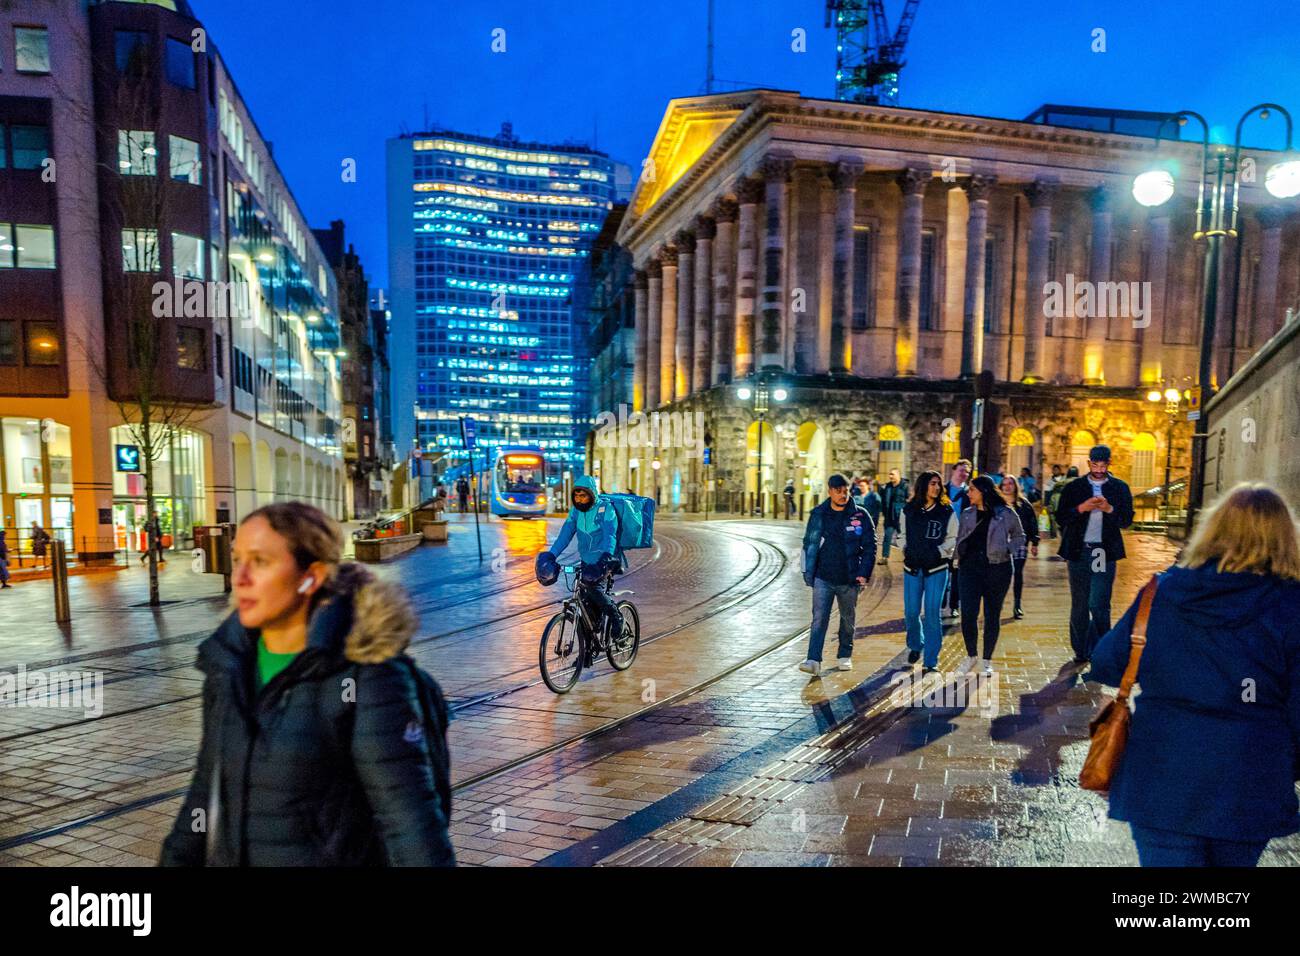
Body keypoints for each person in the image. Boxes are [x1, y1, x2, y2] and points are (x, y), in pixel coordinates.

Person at [160, 502, 454, 866]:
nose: (240, 578)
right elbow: (205, 797)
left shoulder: (367, 676)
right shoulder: (229, 665)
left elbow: (410, 825)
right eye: (237, 560)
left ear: (310, 576)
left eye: (261, 562)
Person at [1087, 483, 1300, 867]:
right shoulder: (1291, 605)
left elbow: (1106, 658)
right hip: (1249, 777)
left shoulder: (1162, 592)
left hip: (1161, 772)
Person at [1055, 445, 1134, 664]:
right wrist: (1082, 508)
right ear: (1089, 463)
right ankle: (1081, 650)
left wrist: (1109, 509)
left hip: (1102, 551)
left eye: (1103, 465)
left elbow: (1127, 520)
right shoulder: (1075, 487)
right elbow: (1061, 517)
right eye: (1095, 464)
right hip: (1079, 550)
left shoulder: (1119, 488)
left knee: (1098, 602)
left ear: (1109, 464)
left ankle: (1100, 648)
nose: (1099, 469)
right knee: (1079, 603)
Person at [799, 474, 876, 676]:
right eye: (838, 490)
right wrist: (807, 571)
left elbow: (870, 546)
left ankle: (844, 655)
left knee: (847, 619)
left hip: (849, 578)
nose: (843, 494)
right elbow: (808, 544)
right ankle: (813, 659)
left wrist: (864, 573)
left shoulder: (860, 515)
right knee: (819, 619)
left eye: (846, 490)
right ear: (830, 491)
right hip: (823, 577)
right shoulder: (819, 514)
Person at [540, 476, 622, 663]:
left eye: (583, 496)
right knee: (584, 605)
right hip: (586, 562)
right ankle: (588, 650)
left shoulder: (605, 509)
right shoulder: (576, 512)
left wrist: (606, 558)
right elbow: (565, 535)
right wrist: (552, 554)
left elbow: (610, 536)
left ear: (591, 495)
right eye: (576, 496)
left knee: (595, 590)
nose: (579, 499)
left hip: (604, 561)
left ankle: (616, 616)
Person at [953, 475, 1025, 676]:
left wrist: (1007, 549)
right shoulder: (967, 514)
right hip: (969, 569)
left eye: (972, 490)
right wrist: (956, 557)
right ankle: (971, 655)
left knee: (992, 615)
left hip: (997, 569)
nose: (969, 493)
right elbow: (961, 538)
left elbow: (1021, 536)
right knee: (968, 615)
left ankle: (986, 660)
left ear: (983, 491)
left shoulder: (1005, 513)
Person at [897, 471, 957, 674]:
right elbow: (901, 535)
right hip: (912, 567)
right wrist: (905, 547)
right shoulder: (908, 510)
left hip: (937, 569)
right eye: (933, 484)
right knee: (911, 613)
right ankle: (916, 644)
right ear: (923, 485)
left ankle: (931, 661)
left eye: (939, 484)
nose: (937, 487)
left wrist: (939, 551)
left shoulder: (946, 511)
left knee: (932, 614)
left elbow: (953, 537)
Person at [1000, 474, 1040, 618]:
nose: (1007, 486)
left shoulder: (1023, 504)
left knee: (1017, 572)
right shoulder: (997, 504)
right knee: (1001, 573)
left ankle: (1017, 604)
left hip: (1019, 542)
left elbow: (1032, 523)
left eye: (1010, 483)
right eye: (1004, 484)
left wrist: (1035, 542)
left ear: (1015, 486)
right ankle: (998, 602)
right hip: (1000, 542)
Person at [944, 460, 972, 619]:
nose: (964, 474)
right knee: (941, 571)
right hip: (944, 538)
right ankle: (940, 601)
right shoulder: (943, 490)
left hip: (961, 538)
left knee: (957, 573)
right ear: (954, 470)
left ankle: (954, 605)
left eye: (967, 472)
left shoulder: (969, 492)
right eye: (961, 470)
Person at [878, 468, 908, 562]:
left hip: (901, 517)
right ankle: (884, 557)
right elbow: (883, 500)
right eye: (890, 474)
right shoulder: (887, 486)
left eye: (892, 474)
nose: (890, 476)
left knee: (904, 538)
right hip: (889, 517)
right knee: (887, 537)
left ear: (898, 475)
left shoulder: (905, 486)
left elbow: (910, 500)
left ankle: (909, 556)